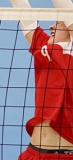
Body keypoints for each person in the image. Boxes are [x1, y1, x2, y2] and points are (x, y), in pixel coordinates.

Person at [10, 0, 73, 159]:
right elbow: (24, 13)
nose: (51, 26)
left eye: (58, 22)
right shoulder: (44, 49)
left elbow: (66, 7)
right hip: (33, 153)